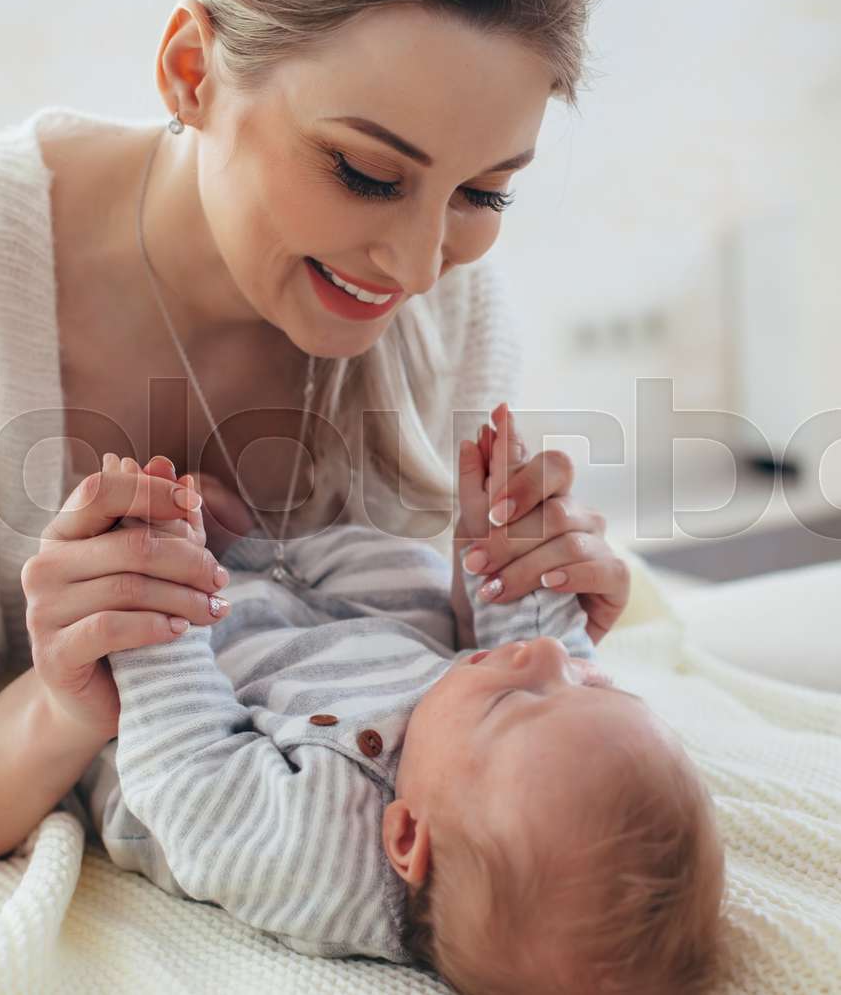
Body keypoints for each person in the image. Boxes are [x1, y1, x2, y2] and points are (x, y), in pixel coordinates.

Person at [0, 0, 632, 871]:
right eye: (366, 174)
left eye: (483, 194)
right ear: (189, 70)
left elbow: (371, 680)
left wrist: (498, 619)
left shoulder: (452, 309)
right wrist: (58, 708)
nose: (418, 266)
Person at [84, 410, 723, 993]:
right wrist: (505, 536)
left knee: (315, 603)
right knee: (405, 583)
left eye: (512, 703)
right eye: (596, 688)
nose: (552, 661)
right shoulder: (490, 771)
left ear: (407, 835)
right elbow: (550, 654)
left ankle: (230, 558)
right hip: (352, 647)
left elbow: (187, 773)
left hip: (210, 689)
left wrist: (162, 585)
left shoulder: (320, 862)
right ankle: (260, 549)